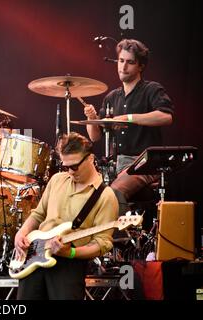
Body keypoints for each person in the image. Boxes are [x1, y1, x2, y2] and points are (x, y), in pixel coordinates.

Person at [15, 132, 118, 300]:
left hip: (69, 264)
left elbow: (101, 244)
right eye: (65, 167)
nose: (70, 171)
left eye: (74, 166)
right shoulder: (56, 180)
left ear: (90, 159)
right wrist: (22, 233)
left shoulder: (106, 196)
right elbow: (38, 214)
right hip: (33, 257)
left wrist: (69, 252)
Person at [84, 39, 174, 212]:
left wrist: (129, 118)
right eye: (121, 61)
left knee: (112, 194)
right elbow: (94, 137)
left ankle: (120, 237)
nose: (123, 67)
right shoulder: (112, 97)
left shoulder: (152, 89)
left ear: (140, 66)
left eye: (130, 62)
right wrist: (92, 118)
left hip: (144, 163)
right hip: (117, 163)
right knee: (88, 196)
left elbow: (166, 117)